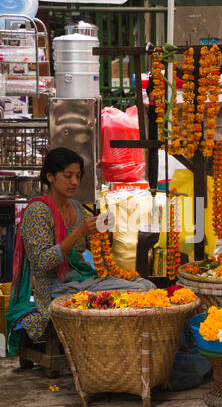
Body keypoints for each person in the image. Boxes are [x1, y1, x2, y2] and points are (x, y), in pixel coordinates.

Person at [5, 147, 155, 355]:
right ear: (50, 176)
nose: (74, 182)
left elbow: (87, 250)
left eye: (77, 176)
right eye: (68, 176)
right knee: (137, 292)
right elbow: (42, 262)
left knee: (146, 285)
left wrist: (103, 232)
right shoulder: (37, 212)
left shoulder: (76, 207)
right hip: (53, 287)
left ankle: (128, 352)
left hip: (82, 279)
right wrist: (78, 232)